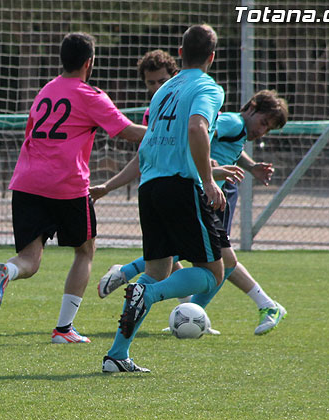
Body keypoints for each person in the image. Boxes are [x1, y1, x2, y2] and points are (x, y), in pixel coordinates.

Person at [96, 57, 289, 335]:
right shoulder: (230, 119)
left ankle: (194, 313)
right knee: (214, 262)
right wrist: (211, 170)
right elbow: (201, 135)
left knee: (204, 259)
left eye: (268, 129)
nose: (262, 131)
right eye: (264, 123)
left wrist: (249, 166)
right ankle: (132, 276)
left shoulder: (235, 127)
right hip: (198, 190)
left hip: (197, 191)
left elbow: (217, 140)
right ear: (252, 107)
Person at [0, 33, 147, 344]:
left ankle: (8, 270)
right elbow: (126, 131)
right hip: (66, 184)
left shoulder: (46, 90)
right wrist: (166, 132)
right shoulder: (90, 95)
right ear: (89, 62)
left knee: (29, 260)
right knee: (85, 251)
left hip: (27, 181)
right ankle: (63, 329)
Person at [98, 24, 228, 373]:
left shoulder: (162, 91)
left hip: (150, 187)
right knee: (213, 273)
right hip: (179, 186)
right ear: (212, 57)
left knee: (155, 272)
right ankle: (150, 295)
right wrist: (208, 181)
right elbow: (197, 128)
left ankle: (117, 354)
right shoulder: (207, 87)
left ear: (180, 53)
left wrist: (111, 186)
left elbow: (148, 144)